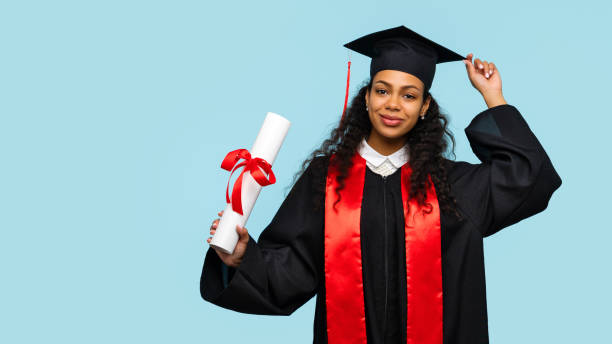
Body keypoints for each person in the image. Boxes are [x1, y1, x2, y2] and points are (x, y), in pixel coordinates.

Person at [200, 26, 562, 344]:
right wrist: (243, 257)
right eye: (382, 90)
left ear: (424, 106)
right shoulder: (326, 181)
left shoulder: (453, 185)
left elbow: (526, 177)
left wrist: (492, 96)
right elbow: (292, 269)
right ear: (367, 97)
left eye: (409, 95)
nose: (393, 105)